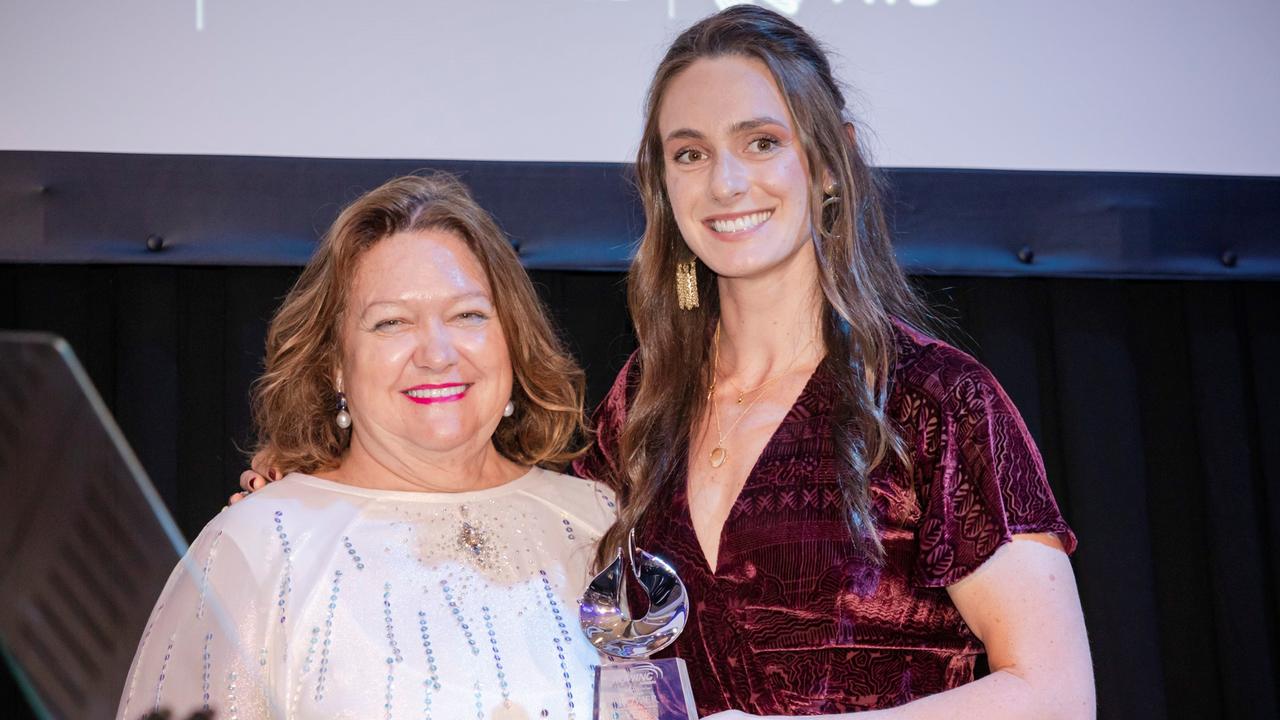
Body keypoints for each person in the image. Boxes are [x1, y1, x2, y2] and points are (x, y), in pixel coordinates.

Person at [573, 5, 1094, 719]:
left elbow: (1057, 697)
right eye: (689, 153)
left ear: (830, 163)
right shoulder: (642, 401)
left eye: (760, 142)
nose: (724, 183)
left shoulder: (935, 399)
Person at [120, 174, 615, 719]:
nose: (437, 352)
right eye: (391, 323)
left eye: (468, 314)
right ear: (335, 365)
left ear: (513, 339)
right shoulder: (257, 545)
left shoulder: (601, 523)